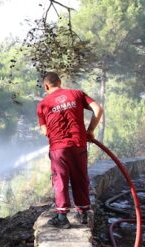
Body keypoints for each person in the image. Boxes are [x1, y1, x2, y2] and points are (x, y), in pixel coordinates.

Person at [36, 72, 103, 228]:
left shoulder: (43, 105)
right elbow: (98, 109)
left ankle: (62, 217)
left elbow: (45, 131)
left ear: (46, 86)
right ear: (59, 82)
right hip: (79, 144)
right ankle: (84, 213)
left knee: (60, 179)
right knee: (80, 176)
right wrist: (90, 130)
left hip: (59, 148)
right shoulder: (77, 94)